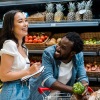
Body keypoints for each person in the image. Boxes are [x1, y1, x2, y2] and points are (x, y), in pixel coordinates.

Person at [29, 32, 89, 100]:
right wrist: (74, 90)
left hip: (60, 96)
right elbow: (47, 79)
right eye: (59, 43)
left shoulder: (78, 55)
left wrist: (84, 87)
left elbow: (82, 76)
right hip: (41, 94)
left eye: (63, 47)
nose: (57, 48)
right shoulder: (49, 53)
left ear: (72, 53)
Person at [0, 10, 41, 100]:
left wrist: (33, 72)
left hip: (23, 90)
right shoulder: (9, 44)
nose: (25, 24)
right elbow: (3, 76)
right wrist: (28, 72)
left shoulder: (23, 47)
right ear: (11, 27)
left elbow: (19, 71)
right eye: (20, 21)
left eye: (26, 20)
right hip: (12, 92)